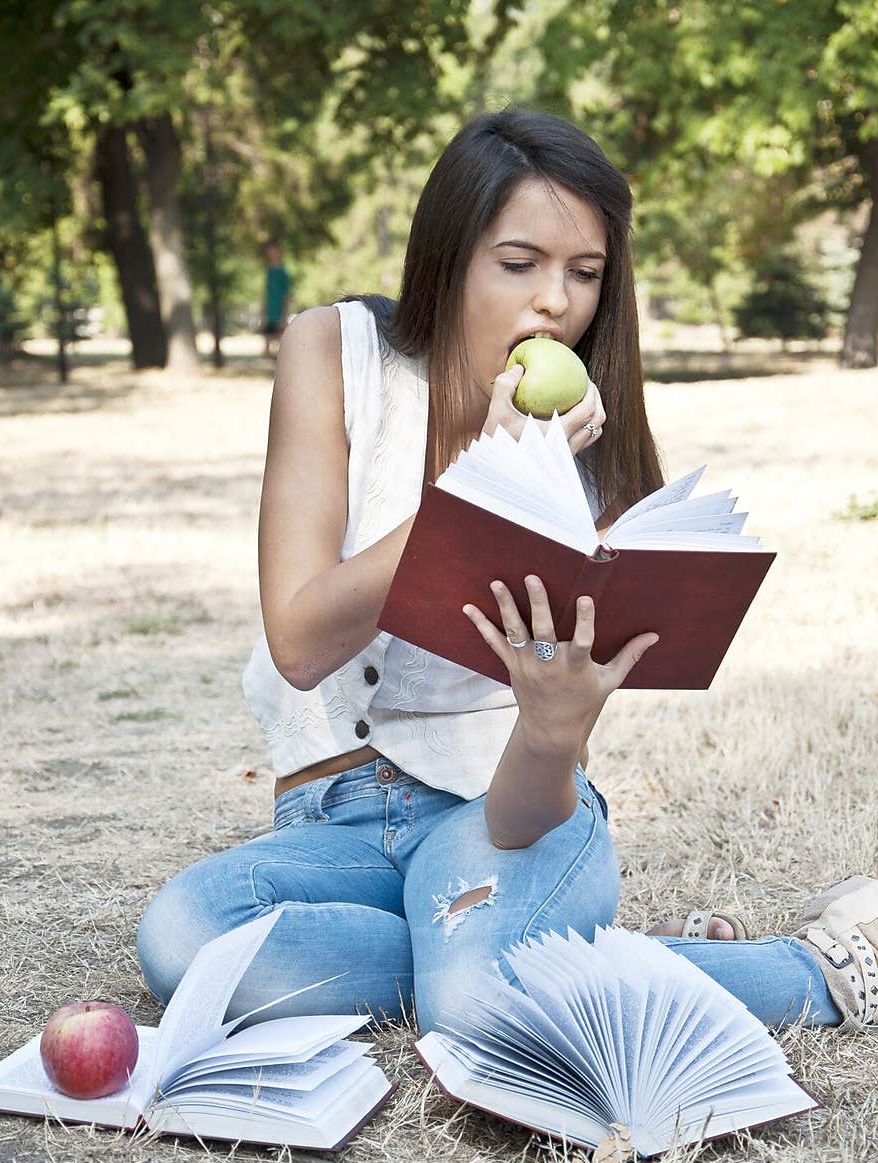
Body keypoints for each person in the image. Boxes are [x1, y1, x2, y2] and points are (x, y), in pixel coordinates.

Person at [137, 108, 876, 1041]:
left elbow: (531, 796)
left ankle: (813, 969)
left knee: (474, 1002)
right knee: (185, 937)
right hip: (336, 823)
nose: (555, 304)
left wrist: (555, 726)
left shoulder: (588, 457)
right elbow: (299, 639)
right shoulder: (334, 352)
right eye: (519, 264)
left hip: (503, 817)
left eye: (585, 273)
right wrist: (477, 485)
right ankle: (546, 948)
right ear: (449, 258)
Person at [262, 242, 292, 357]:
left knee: (282, 348)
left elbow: (287, 295)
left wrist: (284, 315)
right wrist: (263, 314)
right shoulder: (269, 271)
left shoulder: (282, 272)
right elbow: (265, 294)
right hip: (269, 313)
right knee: (266, 350)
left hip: (279, 313)